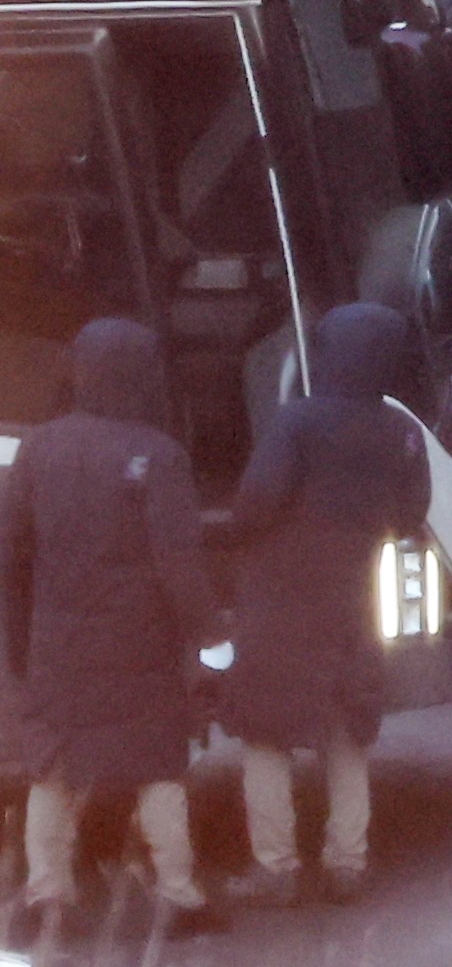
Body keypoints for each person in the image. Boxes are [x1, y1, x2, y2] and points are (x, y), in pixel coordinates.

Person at [0, 318, 223, 937]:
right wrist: (209, 638)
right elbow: (180, 562)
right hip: (140, 646)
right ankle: (178, 893)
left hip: (56, 642)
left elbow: (12, 555)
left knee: (53, 769)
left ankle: (50, 894)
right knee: (156, 768)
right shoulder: (158, 455)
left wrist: (19, 641)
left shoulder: (40, 448)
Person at [222, 303, 430, 907]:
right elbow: (412, 515)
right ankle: (347, 862)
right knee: (347, 735)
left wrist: (238, 538)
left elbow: (256, 500)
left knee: (265, 737)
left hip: (284, 597)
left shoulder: (299, 422)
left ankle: (277, 867)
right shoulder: (402, 431)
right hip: (356, 594)